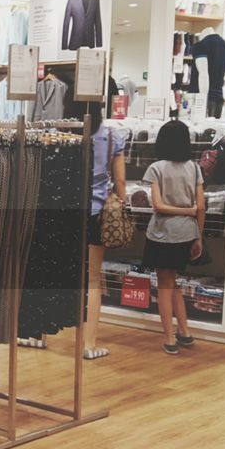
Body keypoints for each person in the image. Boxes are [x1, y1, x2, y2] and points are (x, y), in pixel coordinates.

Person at [142, 120, 205, 355]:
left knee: (164, 284)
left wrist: (184, 211)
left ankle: (169, 337)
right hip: (187, 233)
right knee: (174, 281)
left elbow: (158, 206)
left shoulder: (156, 168)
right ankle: (185, 332)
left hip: (162, 234)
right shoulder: (195, 168)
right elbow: (201, 206)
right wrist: (198, 235)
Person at [82, 108, 126, 360]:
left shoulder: (67, 131)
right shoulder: (112, 136)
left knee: (60, 272)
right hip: (97, 211)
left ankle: (38, 335)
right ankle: (89, 345)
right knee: (93, 279)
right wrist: (122, 202)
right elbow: (120, 180)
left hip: (65, 208)